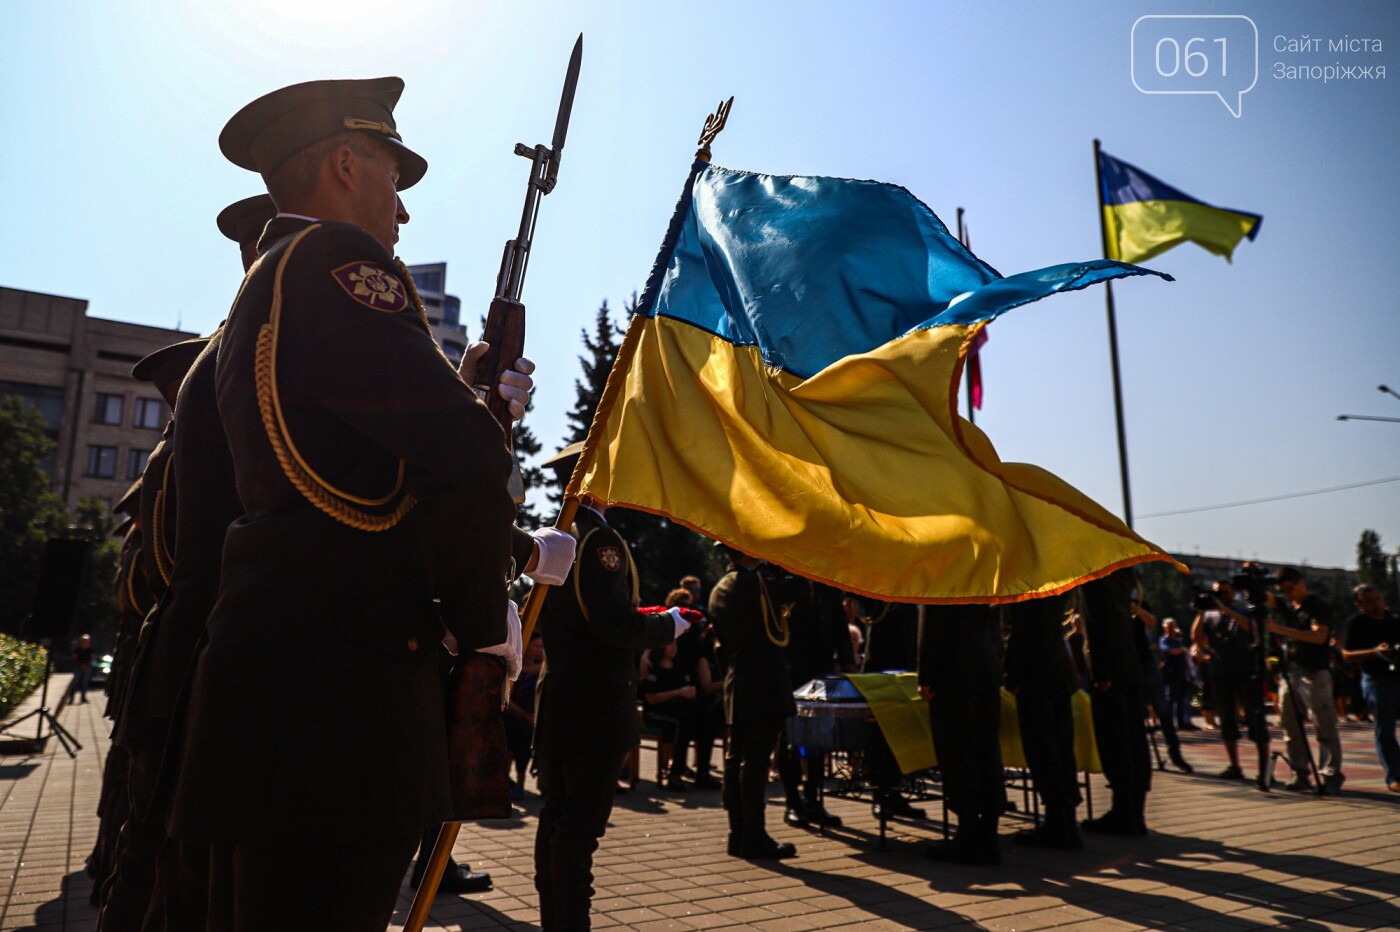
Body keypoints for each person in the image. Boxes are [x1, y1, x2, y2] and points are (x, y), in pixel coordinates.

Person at [163, 78, 551, 931]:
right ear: (345, 162)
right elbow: (460, 455)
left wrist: (465, 395)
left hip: (276, 690)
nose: (402, 214)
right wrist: (489, 623)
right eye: (392, 179)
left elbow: (358, 462)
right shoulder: (340, 261)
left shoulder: (270, 280)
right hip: (340, 706)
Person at [533, 442, 689, 930]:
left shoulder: (553, 535)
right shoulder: (599, 541)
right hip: (595, 703)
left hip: (559, 694)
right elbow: (612, 624)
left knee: (556, 815)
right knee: (580, 823)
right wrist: (670, 626)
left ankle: (555, 919)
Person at [709, 547, 798, 861]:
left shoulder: (722, 586)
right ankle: (755, 836)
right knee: (755, 762)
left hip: (739, 681)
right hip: (763, 683)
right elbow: (799, 588)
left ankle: (739, 834)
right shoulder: (754, 584)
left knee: (736, 762)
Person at [920, 604, 1003, 865]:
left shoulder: (947, 568)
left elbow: (934, 625)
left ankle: (968, 835)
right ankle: (990, 835)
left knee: (958, 755)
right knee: (988, 754)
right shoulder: (988, 567)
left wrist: (926, 675)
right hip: (987, 670)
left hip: (953, 673)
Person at [1005, 594, 1083, 850]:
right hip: (1059, 669)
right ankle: (1067, 821)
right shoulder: (1056, 579)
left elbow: (1021, 629)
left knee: (1042, 748)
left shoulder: (1027, 581)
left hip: (1034, 672)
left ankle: (1056, 824)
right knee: (1062, 747)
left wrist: (1011, 674)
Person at [1078, 569, 1152, 835]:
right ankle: (1135, 812)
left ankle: (1123, 813)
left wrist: (1101, 673)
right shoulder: (1124, 576)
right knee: (1134, 740)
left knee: (1115, 742)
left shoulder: (1096, 578)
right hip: (1129, 666)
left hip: (1110, 673)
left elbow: (1099, 625)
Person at [1266, 567, 1345, 794]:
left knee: (1324, 724)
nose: (1287, 594)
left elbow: (1320, 636)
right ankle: (1300, 772)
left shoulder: (1317, 606)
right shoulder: (1287, 605)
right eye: (1283, 591)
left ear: (1300, 583)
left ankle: (1331, 773)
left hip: (1314, 672)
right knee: (1290, 725)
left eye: (1290, 589)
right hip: (1290, 672)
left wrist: (1281, 629)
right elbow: (1266, 599)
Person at [1191, 579, 1271, 792]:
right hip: (1221, 672)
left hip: (1246, 671)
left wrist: (1225, 608)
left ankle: (1264, 768)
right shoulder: (1209, 615)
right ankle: (1234, 765)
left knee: (1255, 719)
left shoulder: (1245, 610)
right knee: (1226, 719)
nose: (1220, 596)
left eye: (1224, 592)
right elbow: (1197, 638)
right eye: (1217, 593)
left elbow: (1251, 629)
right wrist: (1200, 611)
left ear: (1233, 593)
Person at [1340, 584, 1400, 792]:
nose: (1376, 604)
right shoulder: (1356, 623)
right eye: (1370, 601)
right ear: (1359, 605)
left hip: (1397, 675)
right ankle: (1395, 775)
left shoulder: (1394, 620)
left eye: (1378, 599)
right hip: (1376, 678)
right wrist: (1374, 652)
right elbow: (1346, 655)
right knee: (1385, 727)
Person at [640, 641, 701, 790]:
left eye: (675, 644)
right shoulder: (653, 669)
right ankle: (673, 773)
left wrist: (689, 692)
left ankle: (686, 769)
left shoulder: (679, 668)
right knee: (678, 724)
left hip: (677, 709)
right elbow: (651, 698)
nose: (674, 648)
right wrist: (678, 692)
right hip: (654, 713)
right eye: (669, 644)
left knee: (694, 719)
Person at [505, 632, 545, 799]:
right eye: (535, 646)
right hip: (513, 711)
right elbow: (506, 695)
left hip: (532, 714)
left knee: (526, 736)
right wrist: (522, 714)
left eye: (541, 647)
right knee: (514, 734)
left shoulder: (541, 668)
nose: (538, 650)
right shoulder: (513, 666)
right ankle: (505, 780)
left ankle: (520, 784)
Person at [1158, 618, 1195, 730]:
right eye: (1168, 626)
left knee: (1182, 699)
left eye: (1172, 626)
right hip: (1170, 673)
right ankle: (1168, 723)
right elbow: (1170, 651)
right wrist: (1182, 650)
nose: (1171, 628)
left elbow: (1184, 655)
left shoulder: (1178, 640)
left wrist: (1188, 670)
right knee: (1170, 699)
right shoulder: (1163, 640)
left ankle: (1182, 722)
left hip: (1181, 672)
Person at [70, 634, 95, 704]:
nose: (85, 642)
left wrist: (86, 664)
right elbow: (74, 658)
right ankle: (71, 698)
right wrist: (80, 664)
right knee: (75, 682)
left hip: (87, 667)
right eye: (84, 641)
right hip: (78, 667)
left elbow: (92, 658)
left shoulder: (90, 649)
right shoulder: (77, 649)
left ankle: (83, 698)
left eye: (87, 641)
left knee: (85, 682)